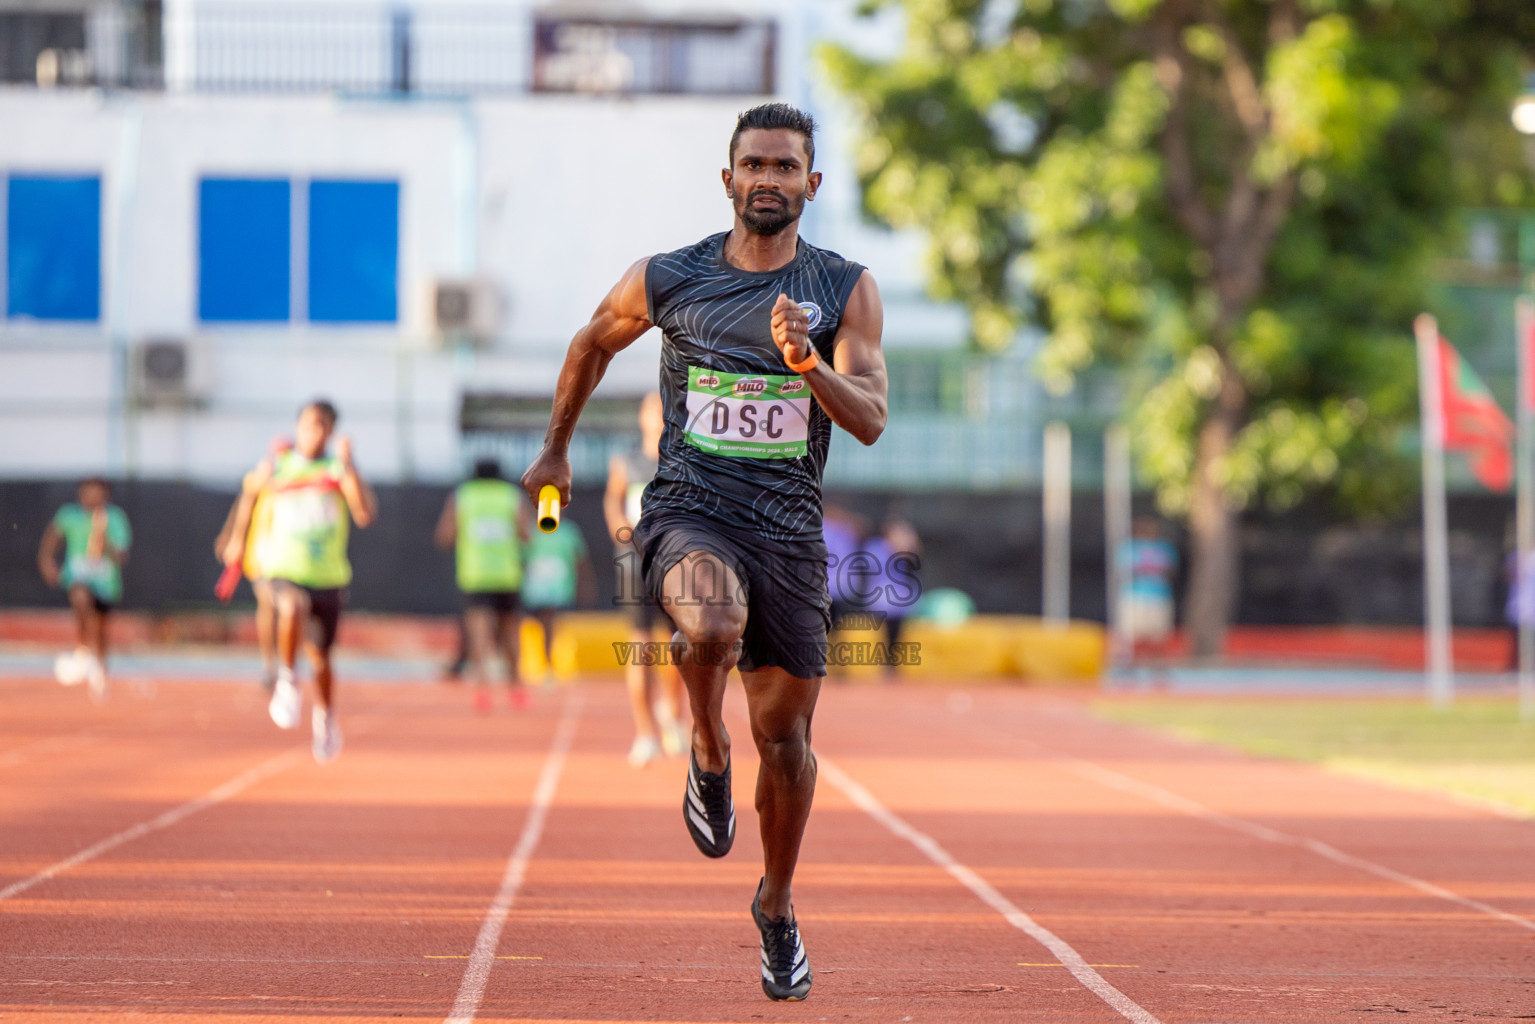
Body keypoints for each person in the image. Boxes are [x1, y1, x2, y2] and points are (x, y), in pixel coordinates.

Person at [521, 102, 887, 1002]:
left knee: (789, 742)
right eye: (753, 164)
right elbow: (588, 343)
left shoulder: (843, 288)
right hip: (689, 509)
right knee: (712, 621)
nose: (768, 178)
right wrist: (556, 447)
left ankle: (776, 904)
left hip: (789, 534)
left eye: (785, 166)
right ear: (727, 180)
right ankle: (702, 746)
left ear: (812, 184)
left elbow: (871, 419)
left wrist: (809, 365)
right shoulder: (669, 277)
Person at [223, 400, 376, 762]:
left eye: (323, 425)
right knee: (291, 606)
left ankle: (325, 718)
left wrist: (350, 464)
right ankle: (287, 680)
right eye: (308, 424)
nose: (314, 432)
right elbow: (249, 496)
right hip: (283, 566)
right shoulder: (279, 463)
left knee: (321, 659)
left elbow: (364, 513)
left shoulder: (338, 469)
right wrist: (236, 539)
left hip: (327, 574)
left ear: (332, 431)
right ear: (297, 426)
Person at [605, 392, 687, 766]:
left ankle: (671, 713)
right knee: (640, 646)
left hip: (674, 562)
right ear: (642, 418)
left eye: (665, 410)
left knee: (677, 643)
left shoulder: (682, 461)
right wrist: (626, 536)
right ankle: (644, 732)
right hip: (635, 562)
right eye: (654, 410)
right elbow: (612, 502)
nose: (660, 416)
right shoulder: (626, 462)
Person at [435, 457, 533, 713]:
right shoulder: (512, 496)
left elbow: (445, 535)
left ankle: (482, 689)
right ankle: (516, 687)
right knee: (510, 633)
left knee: (480, 634)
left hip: (475, 575)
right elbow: (526, 535)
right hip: (507, 574)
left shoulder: (463, 496)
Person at [37, 477, 132, 702]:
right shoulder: (68, 515)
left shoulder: (114, 518)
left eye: (98, 492)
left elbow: (121, 556)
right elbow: (52, 538)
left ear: (105, 495)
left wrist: (104, 537)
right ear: (80, 493)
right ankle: (82, 651)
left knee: (99, 627)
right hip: (78, 576)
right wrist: (47, 562)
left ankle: (99, 671)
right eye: (88, 492)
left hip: (105, 582)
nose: (92, 496)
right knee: (80, 597)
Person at [213, 435, 291, 691]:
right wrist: (233, 539)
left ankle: (287, 665)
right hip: (263, 553)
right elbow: (243, 507)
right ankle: (271, 666)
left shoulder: (300, 479)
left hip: (293, 556)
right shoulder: (259, 478)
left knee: (290, 610)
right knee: (268, 604)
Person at [522, 515, 594, 685]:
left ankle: (549, 665)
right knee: (543, 627)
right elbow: (522, 558)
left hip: (559, 589)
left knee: (550, 625)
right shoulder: (530, 529)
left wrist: (584, 585)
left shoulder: (569, 531)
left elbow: (580, 561)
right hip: (534, 589)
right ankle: (545, 665)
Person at [1116, 517, 1179, 661]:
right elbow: (1123, 573)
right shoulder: (1129, 548)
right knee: (1132, 636)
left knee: (1158, 637)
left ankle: (1157, 667)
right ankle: (1129, 667)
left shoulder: (1165, 549)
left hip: (1159, 597)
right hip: (1135, 597)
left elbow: (1172, 573)